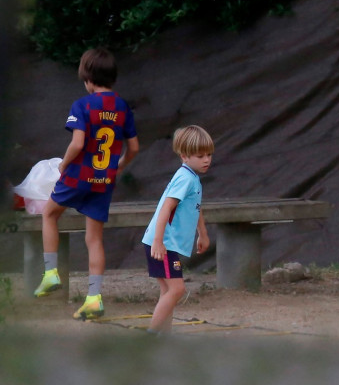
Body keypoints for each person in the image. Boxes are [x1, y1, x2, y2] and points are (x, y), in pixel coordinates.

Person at [34, 47, 139, 320]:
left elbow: (77, 143)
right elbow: (135, 148)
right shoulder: (122, 107)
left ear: (89, 80)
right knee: (94, 239)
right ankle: (94, 299)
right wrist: (118, 166)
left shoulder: (82, 105)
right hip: (103, 180)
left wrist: (64, 164)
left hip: (78, 175)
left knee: (48, 214)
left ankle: (50, 273)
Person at [142, 125, 212, 334]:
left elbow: (195, 208)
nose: (206, 159)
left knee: (168, 291)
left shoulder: (192, 178)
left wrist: (203, 233)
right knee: (177, 289)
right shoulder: (185, 178)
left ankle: (164, 336)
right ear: (184, 156)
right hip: (164, 243)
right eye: (200, 156)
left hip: (165, 243)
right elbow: (166, 208)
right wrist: (158, 240)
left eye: (209, 154)